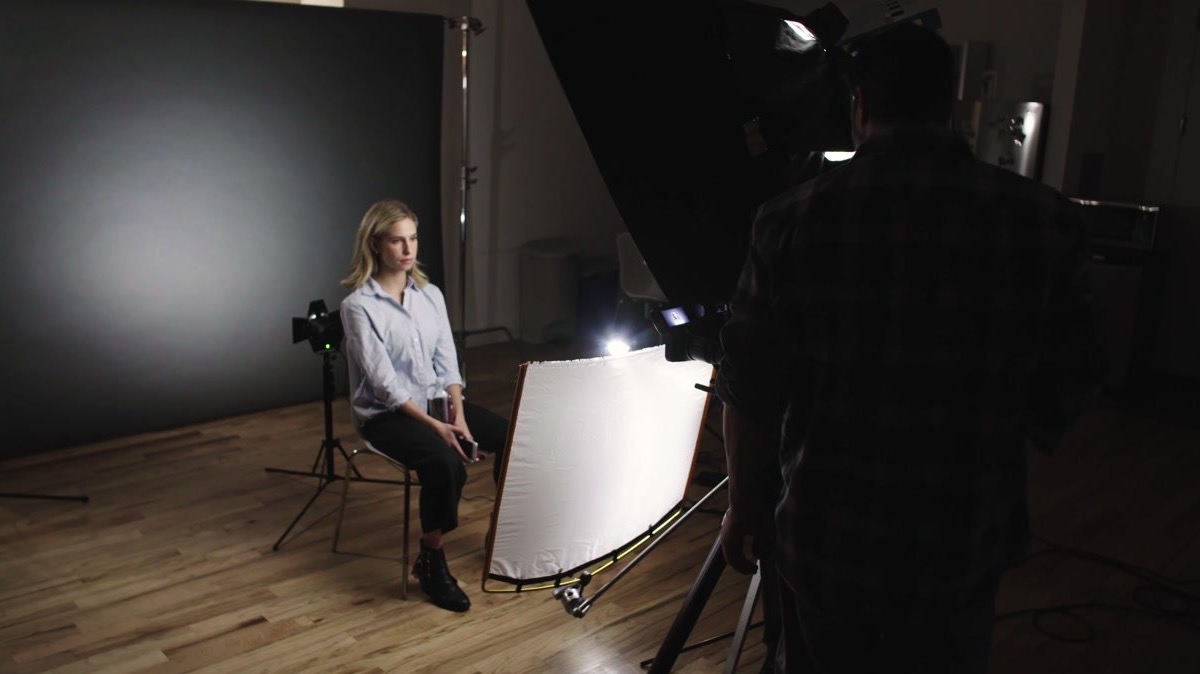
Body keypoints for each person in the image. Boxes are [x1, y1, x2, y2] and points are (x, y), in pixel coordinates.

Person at [716, 23, 1106, 673]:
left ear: (860, 103)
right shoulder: (1042, 218)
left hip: (828, 535)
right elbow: (1079, 371)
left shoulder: (789, 219)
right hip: (963, 538)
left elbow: (749, 383)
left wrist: (743, 505)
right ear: (948, 102)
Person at [339, 198, 509, 613]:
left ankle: (504, 535)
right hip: (386, 416)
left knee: (513, 436)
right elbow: (385, 386)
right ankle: (431, 559)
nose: (407, 249)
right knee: (443, 462)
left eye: (413, 239)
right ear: (376, 244)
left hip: (436, 402)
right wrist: (438, 428)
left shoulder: (431, 295)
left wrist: (459, 416)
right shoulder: (358, 307)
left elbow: (447, 363)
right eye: (396, 241)